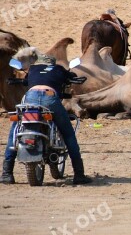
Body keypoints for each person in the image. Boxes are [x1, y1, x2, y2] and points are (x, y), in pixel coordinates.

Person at [1, 55, 92, 185]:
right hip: (50, 97)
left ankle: (6, 173)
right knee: (68, 134)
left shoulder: (32, 69)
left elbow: (26, 81)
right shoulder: (59, 69)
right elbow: (71, 77)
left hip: (30, 97)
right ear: (52, 63)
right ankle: (79, 174)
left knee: (15, 129)